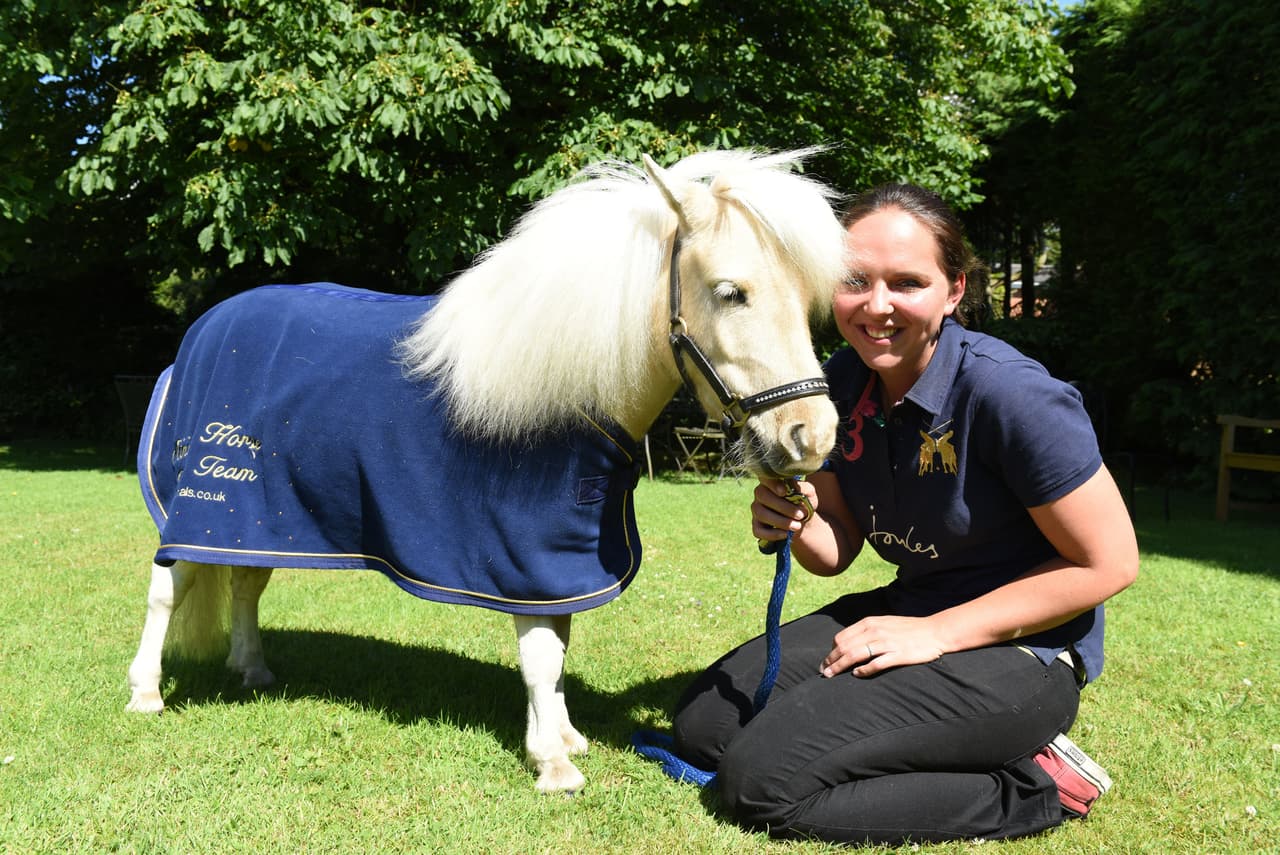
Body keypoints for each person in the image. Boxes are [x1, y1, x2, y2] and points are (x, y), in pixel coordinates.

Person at [670, 184, 1139, 846]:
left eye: (908, 283)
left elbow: (1110, 563)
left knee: (761, 782)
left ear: (953, 290)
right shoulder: (841, 380)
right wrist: (799, 520)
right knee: (707, 725)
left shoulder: (1011, 395)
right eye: (855, 280)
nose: (877, 305)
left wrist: (937, 633)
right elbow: (835, 550)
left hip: (1025, 650)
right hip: (910, 609)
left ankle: (1036, 785)